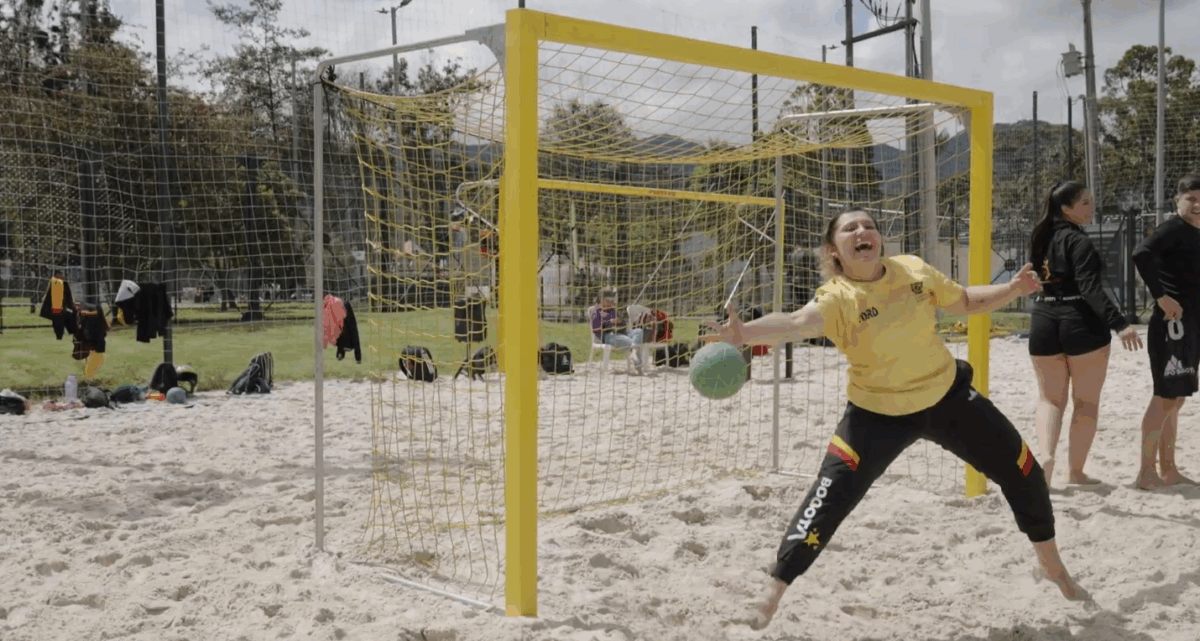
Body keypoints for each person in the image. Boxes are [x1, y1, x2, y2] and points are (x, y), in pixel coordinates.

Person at [703, 208, 1090, 631]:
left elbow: (961, 301)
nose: (862, 231)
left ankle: (1052, 566)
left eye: (868, 225)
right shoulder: (837, 296)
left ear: (879, 238)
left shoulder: (912, 270)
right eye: (850, 229)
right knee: (827, 501)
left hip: (947, 398)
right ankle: (773, 591)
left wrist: (1012, 290)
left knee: (1026, 473)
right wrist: (745, 334)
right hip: (875, 415)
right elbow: (796, 323)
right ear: (835, 250)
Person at [1026, 181, 1142, 489]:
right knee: (1085, 402)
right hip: (1081, 323)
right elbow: (1091, 290)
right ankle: (1075, 472)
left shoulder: (1039, 238)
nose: (1092, 207)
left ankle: (1046, 456)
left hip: (1043, 320)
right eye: (1086, 202)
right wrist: (1121, 324)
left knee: (1049, 399)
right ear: (1067, 209)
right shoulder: (1080, 243)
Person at [1131, 172, 1200, 490]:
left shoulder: (1195, 232)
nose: (1198, 205)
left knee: (1176, 399)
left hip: (1190, 327)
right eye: (1192, 199)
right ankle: (1146, 472)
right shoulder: (1172, 228)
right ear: (1179, 200)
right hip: (1171, 327)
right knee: (1165, 397)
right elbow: (1140, 254)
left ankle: (1168, 470)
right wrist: (1161, 295)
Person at [590, 296, 644, 372]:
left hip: (620, 331)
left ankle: (634, 353)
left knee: (638, 331)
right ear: (602, 300)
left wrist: (620, 321)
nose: (611, 302)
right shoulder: (596, 312)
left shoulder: (612, 310)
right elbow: (596, 328)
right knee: (632, 342)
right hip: (607, 335)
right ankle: (638, 367)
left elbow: (624, 322)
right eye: (608, 300)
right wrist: (610, 322)